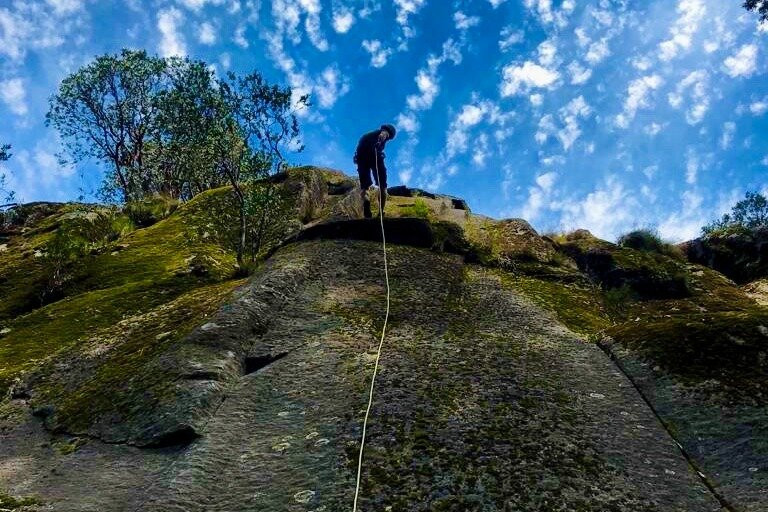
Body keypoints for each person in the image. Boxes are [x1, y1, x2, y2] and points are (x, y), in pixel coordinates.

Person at [354, 123, 396, 218]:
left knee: (364, 188)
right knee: (382, 186)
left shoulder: (368, 135)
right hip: (375, 157)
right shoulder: (383, 133)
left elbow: (360, 146)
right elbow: (384, 134)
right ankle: (381, 213)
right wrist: (383, 137)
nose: (388, 140)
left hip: (361, 158)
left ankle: (367, 206)